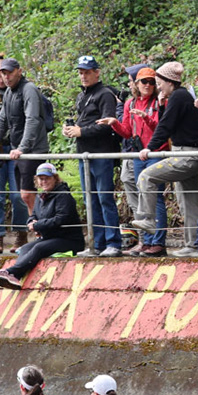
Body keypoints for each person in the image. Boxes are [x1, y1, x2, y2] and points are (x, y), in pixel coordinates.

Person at [136, 61, 198, 257]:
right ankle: (193, 245)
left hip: (187, 155)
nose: (158, 87)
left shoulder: (178, 96)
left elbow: (165, 126)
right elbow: (168, 121)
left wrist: (149, 147)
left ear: (169, 82)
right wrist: (160, 106)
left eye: (159, 83)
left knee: (146, 176)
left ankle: (148, 219)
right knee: (189, 201)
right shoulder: (179, 96)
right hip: (190, 153)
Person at [0, 162, 82, 288]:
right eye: (41, 179)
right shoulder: (41, 197)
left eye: (47, 178)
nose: (44, 182)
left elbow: (61, 219)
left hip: (69, 240)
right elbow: (33, 215)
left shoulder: (63, 196)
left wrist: (38, 225)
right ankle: (15, 276)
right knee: (25, 248)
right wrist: (31, 223)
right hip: (50, 238)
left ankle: (10, 272)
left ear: (55, 178)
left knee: (39, 248)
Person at [64, 56, 123, 255]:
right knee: (90, 199)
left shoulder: (105, 94)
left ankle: (113, 242)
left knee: (104, 198)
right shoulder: (82, 96)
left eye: (87, 72)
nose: (83, 76)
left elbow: (107, 125)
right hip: (84, 154)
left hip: (101, 154)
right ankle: (97, 244)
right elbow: (85, 123)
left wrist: (81, 131)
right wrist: (71, 129)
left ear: (97, 73)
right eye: (81, 73)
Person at [101, 67, 161, 251]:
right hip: (137, 153)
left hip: (155, 153)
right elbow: (127, 132)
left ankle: (158, 242)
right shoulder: (130, 103)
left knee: (156, 198)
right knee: (142, 197)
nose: (148, 85)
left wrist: (146, 118)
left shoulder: (158, 102)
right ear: (137, 84)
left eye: (152, 82)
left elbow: (161, 128)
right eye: (144, 81)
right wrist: (115, 123)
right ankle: (147, 241)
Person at [0, 57, 49, 221]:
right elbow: (2, 121)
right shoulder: (9, 93)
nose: (6, 77)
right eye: (3, 74)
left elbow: (32, 119)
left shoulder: (29, 89)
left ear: (19, 71)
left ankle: (40, 227)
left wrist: (22, 148)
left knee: (27, 194)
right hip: (19, 150)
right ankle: (37, 226)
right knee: (25, 195)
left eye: (9, 73)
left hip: (33, 150)